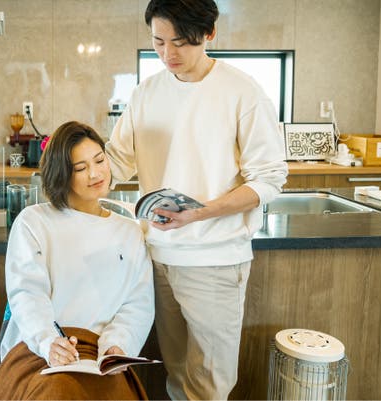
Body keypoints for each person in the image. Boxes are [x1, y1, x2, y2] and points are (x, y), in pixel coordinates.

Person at [105, 0, 289, 400]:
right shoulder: (146, 93)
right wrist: (77, 165)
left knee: (208, 383)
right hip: (157, 257)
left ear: (209, 34)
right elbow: (116, 162)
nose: (168, 54)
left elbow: (270, 178)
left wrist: (201, 213)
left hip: (215, 260)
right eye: (158, 42)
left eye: (181, 42)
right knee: (174, 373)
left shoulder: (242, 92)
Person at [0, 121, 155, 400]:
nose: (95, 173)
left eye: (99, 160)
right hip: (39, 353)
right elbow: (27, 294)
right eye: (80, 168)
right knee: (59, 393)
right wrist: (49, 342)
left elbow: (138, 304)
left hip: (100, 357)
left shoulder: (130, 232)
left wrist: (118, 346)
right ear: (62, 174)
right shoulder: (33, 222)